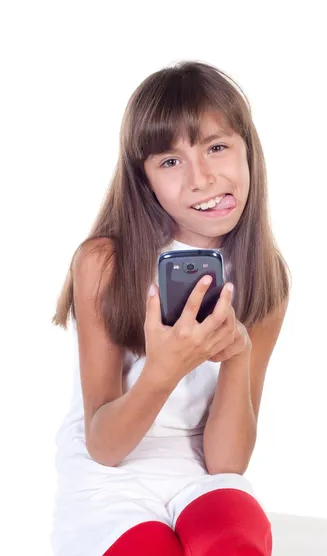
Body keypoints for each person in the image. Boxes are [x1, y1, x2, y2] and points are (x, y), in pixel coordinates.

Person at [51, 60, 291, 556]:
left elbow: (226, 462)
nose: (201, 179)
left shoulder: (268, 279)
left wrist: (238, 355)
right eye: (170, 162)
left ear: (249, 152)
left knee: (236, 543)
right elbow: (106, 446)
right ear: (145, 181)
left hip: (200, 476)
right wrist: (162, 370)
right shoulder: (104, 262)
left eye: (217, 147)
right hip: (111, 479)